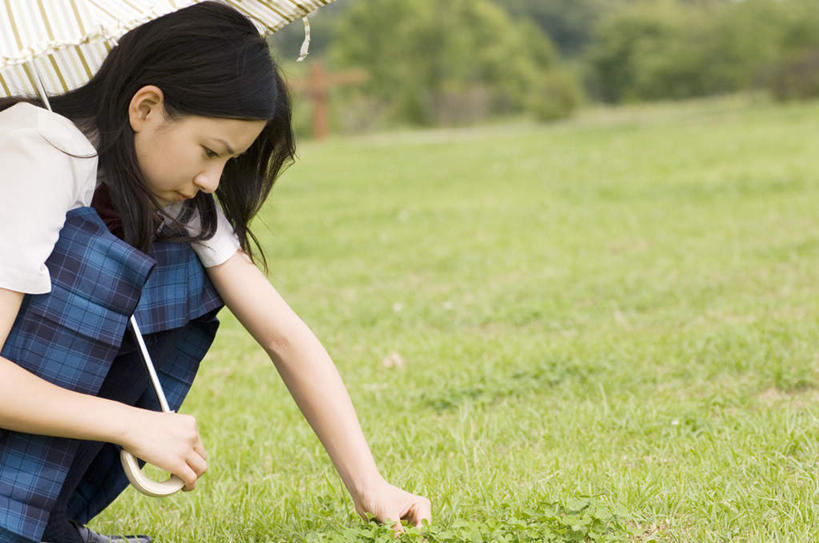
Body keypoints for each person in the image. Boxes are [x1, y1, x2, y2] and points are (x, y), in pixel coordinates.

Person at [0, 3, 431, 542]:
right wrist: (129, 422)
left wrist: (371, 487)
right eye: (210, 151)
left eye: (228, 161)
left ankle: (46, 521)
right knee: (100, 263)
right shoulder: (35, 152)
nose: (211, 180)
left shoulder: (154, 181)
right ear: (146, 107)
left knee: (180, 261)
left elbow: (283, 336)